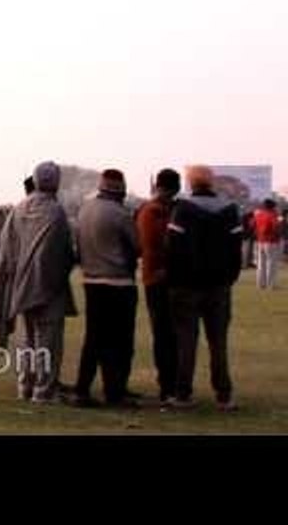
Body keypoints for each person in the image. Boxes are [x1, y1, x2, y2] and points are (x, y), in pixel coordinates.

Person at [0, 161, 76, 403]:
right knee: (48, 341)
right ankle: (44, 390)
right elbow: (64, 252)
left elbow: (5, 252)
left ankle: (25, 385)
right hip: (48, 285)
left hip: (20, 285)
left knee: (27, 340)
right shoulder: (56, 211)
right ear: (56, 182)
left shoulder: (18, 209)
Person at [167, 165, 242, 411]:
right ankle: (224, 395)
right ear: (212, 183)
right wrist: (229, 278)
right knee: (218, 343)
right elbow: (236, 250)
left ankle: (183, 394)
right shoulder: (229, 209)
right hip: (219, 285)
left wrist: (174, 280)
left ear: (190, 183)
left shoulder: (182, 209)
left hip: (186, 285)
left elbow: (173, 248)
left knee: (186, 341)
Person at [73, 169, 140, 408]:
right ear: (120, 190)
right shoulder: (120, 214)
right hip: (118, 283)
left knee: (93, 339)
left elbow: (78, 247)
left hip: (91, 282)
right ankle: (115, 391)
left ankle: (82, 389)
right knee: (120, 342)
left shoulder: (84, 210)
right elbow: (137, 246)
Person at [136, 168, 181, 406]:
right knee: (166, 335)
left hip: (157, 278)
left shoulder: (151, 209)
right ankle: (168, 386)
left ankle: (171, 384)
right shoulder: (155, 211)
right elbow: (159, 245)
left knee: (167, 334)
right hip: (159, 278)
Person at [253, 198, 281, 290]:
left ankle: (260, 284)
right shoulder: (272, 214)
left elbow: (252, 225)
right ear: (272, 207)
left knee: (261, 264)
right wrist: (277, 235)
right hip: (271, 241)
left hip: (260, 240)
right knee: (271, 264)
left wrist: (258, 233)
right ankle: (271, 284)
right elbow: (276, 226)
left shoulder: (258, 214)